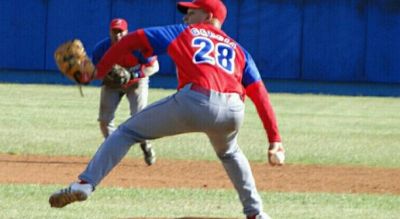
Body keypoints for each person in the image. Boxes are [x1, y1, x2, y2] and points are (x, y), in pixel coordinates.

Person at [49, 1, 285, 218]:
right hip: (233, 110)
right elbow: (259, 93)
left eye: (192, 12)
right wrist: (274, 139)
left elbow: (132, 40)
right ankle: (256, 213)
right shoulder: (240, 51)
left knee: (126, 132)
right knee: (231, 152)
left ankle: (85, 183)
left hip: (195, 100)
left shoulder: (183, 32)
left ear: (209, 16)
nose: (186, 18)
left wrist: (99, 71)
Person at [92, 18, 158, 165]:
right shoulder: (101, 49)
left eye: (120, 32)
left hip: (137, 83)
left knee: (138, 118)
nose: (118, 35)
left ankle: (145, 145)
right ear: (110, 32)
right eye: (114, 32)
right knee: (104, 121)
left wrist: (133, 75)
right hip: (113, 84)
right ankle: (114, 150)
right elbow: (96, 71)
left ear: (127, 32)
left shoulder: (138, 46)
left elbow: (154, 66)